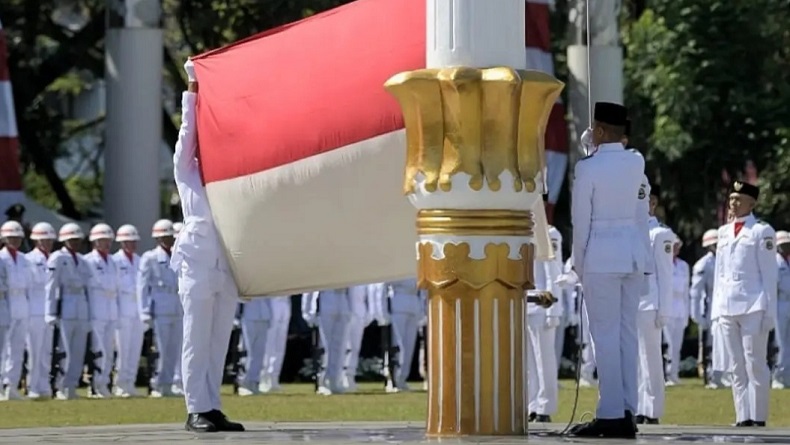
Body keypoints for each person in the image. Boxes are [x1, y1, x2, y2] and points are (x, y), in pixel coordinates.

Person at [171, 60, 244, 432]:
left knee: (218, 341)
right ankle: (195, 407)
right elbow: (188, 131)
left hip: (225, 263)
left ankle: (211, 406)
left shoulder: (233, 174)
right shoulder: (188, 171)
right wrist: (194, 86)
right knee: (195, 338)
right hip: (198, 263)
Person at [569, 102, 648, 439]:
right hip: (631, 255)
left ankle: (611, 413)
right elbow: (641, 211)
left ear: (599, 131)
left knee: (604, 335)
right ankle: (628, 408)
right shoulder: (636, 161)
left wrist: (579, 263)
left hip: (601, 256)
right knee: (626, 335)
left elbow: (580, 221)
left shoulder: (588, 168)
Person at [712, 180, 777, 426]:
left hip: (753, 305)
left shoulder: (762, 231)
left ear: (752, 203)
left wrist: (769, 311)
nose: (734, 203)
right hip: (727, 305)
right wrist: (716, 311)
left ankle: (758, 417)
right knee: (735, 365)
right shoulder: (724, 232)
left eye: (739, 199)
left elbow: (769, 275)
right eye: (731, 199)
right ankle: (742, 416)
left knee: (755, 362)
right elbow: (720, 274)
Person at [634, 185, 674, 424]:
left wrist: (664, 310)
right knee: (634, 360)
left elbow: (666, 274)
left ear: (653, 203)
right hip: (631, 302)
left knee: (650, 358)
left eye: (643, 200)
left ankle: (653, 409)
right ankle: (638, 406)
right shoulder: (629, 230)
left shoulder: (659, 233)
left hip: (650, 303)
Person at [45, 223, 92, 400]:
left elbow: (89, 287)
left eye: (77, 240)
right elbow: (51, 286)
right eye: (71, 240)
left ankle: (71, 386)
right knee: (65, 350)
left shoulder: (82, 259)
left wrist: (90, 315)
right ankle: (60, 386)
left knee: (79, 350)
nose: (75, 243)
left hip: (81, 306)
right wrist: (50, 312)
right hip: (66, 305)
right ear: (64, 240)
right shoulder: (57, 258)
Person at [527, 226, 564, 422]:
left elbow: (553, 273)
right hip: (526, 305)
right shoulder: (523, 231)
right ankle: (532, 404)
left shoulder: (549, 233)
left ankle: (545, 407)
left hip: (542, 306)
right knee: (529, 364)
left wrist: (553, 311)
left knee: (544, 361)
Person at [84, 223, 120, 398]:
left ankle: (105, 383)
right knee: (98, 351)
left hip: (111, 310)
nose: (107, 244)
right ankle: (95, 384)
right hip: (96, 309)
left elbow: (116, 287)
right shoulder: (88, 261)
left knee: (109, 350)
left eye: (108, 241)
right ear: (95, 242)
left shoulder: (112, 261)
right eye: (103, 240)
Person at [690, 229, 728, 389]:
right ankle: (711, 376)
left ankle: (723, 375)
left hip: (725, 305)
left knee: (725, 344)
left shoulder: (726, 260)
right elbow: (696, 292)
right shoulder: (703, 264)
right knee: (710, 345)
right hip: (710, 307)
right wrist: (697, 315)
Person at [24, 222, 57, 399]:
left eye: (50, 240)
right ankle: (32, 386)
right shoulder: (28, 259)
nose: (47, 243)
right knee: (34, 351)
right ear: (36, 241)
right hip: (34, 310)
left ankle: (44, 385)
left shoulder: (54, 258)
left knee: (46, 351)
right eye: (43, 240)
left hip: (48, 311)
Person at [112, 224, 144, 397]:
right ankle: (120, 385)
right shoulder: (115, 261)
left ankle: (130, 383)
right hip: (122, 311)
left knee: (134, 350)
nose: (131, 244)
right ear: (121, 243)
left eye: (133, 241)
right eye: (127, 241)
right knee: (123, 352)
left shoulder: (140, 261)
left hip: (137, 311)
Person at [0, 221, 30, 400]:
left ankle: (12, 385)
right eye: (11, 237)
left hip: (21, 305)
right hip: (5, 303)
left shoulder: (23, 259)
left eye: (18, 238)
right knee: (2, 350)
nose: (15, 241)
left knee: (17, 349)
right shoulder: (1, 258)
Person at [664, 236, 690, 385]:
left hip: (680, 308)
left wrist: (687, 312)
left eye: (677, 246)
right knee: (669, 344)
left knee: (677, 345)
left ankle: (674, 374)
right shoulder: (664, 264)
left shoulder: (683, 266)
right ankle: (667, 373)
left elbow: (686, 290)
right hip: (668, 307)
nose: (676, 249)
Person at [237, 297, 271, 396]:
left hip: (264, 315)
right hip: (248, 315)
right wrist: (235, 317)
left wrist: (270, 316)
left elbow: (268, 298)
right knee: (248, 351)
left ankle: (254, 382)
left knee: (259, 353)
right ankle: (244, 383)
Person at [260, 295, 291, 393]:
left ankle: (274, 378)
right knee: (269, 343)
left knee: (280, 344)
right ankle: (264, 378)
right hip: (272, 300)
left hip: (285, 300)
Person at [774, 231, 790, 388]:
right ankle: (777, 376)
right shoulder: (775, 262)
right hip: (779, 302)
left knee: (789, 341)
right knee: (780, 342)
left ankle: (787, 376)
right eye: (784, 244)